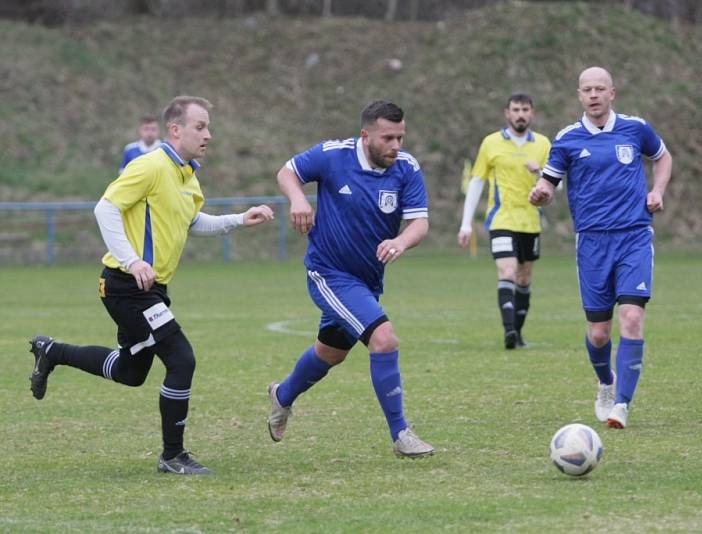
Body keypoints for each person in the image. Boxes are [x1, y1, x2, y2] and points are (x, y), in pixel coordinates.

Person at [27, 96, 274, 474]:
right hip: (126, 286)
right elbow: (105, 208)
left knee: (130, 372)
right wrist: (133, 259)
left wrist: (241, 219)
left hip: (149, 289)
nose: (209, 134)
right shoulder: (151, 165)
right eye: (200, 126)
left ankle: (52, 351)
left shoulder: (187, 175)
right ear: (175, 130)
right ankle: (172, 456)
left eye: (208, 127)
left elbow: (192, 222)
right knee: (181, 359)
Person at [268, 100, 434, 458]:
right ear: (365, 135)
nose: (396, 146)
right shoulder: (332, 155)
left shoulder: (406, 168)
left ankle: (282, 395)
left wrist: (400, 241)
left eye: (400, 137)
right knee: (384, 339)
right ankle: (401, 433)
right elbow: (287, 172)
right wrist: (298, 201)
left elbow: (420, 222)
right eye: (388, 138)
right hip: (328, 273)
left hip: (367, 280)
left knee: (330, 353)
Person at [529, 67, 673, 429]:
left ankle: (621, 405)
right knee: (599, 332)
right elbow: (549, 183)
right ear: (579, 95)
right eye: (587, 90)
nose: (593, 95)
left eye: (600, 89)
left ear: (613, 93)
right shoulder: (567, 139)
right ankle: (606, 382)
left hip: (634, 236)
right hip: (592, 242)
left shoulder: (635, 129)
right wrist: (542, 193)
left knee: (632, 318)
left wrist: (657, 191)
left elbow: (663, 157)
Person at [457, 93, 552, 349]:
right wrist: (466, 223)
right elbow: (477, 182)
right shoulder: (491, 143)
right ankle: (509, 332)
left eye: (525, 110)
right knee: (506, 271)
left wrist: (540, 173)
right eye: (516, 109)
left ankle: (518, 333)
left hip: (531, 222)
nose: (520, 114)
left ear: (532, 113)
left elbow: (558, 185)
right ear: (507, 113)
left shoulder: (543, 144)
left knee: (524, 279)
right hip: (501, 220)